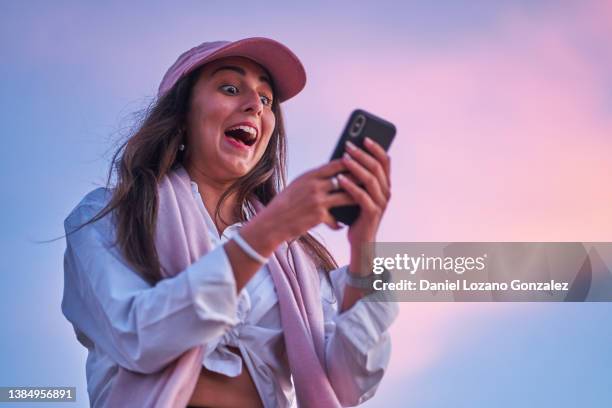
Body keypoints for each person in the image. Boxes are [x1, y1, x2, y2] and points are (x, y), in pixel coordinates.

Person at [61, 37, 398, 408]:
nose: (254, 105)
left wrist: (364, 243)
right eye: (230, 88)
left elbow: (347, 387)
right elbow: (138, 337)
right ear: (182, 114)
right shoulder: (110, 215)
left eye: (267, 100)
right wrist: (267, 232)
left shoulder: (295, 257)